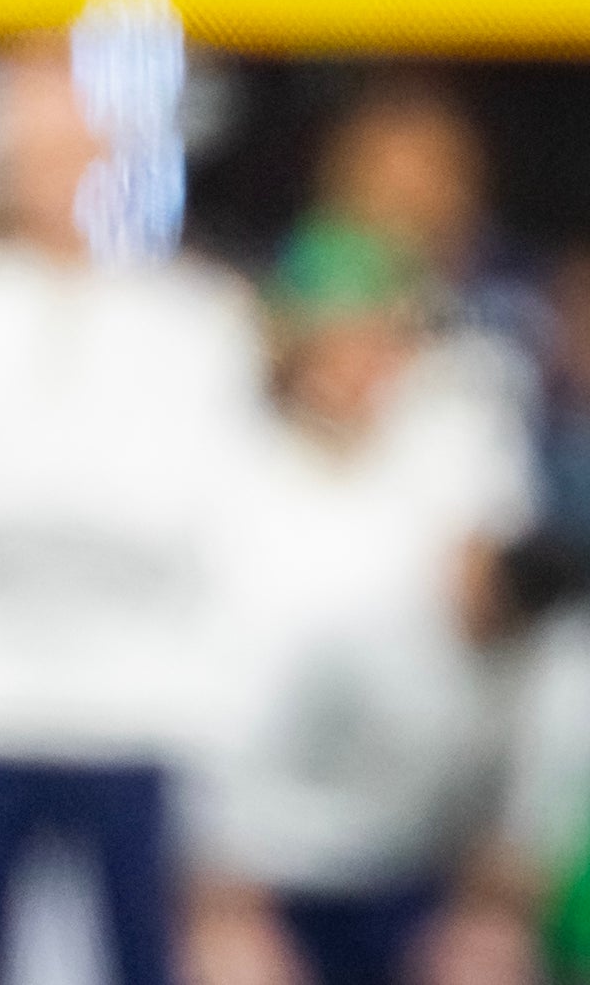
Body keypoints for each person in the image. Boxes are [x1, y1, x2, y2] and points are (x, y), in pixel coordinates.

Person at [0, 39, 267, 985]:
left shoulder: (194, 321)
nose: (51, 162)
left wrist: (20, 503)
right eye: (28, 140)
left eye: (70, 137)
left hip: (142, 714)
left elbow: (195, 523)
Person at [198, 220, 544, 985]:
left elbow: (532, 667)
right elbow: (195, 685)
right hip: (261, 874)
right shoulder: (229, 478)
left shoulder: (455, 473)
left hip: (427, 865)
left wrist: (502, 870)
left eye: (378, 338)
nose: (359, 363)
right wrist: (213, 878)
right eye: (336, 338)